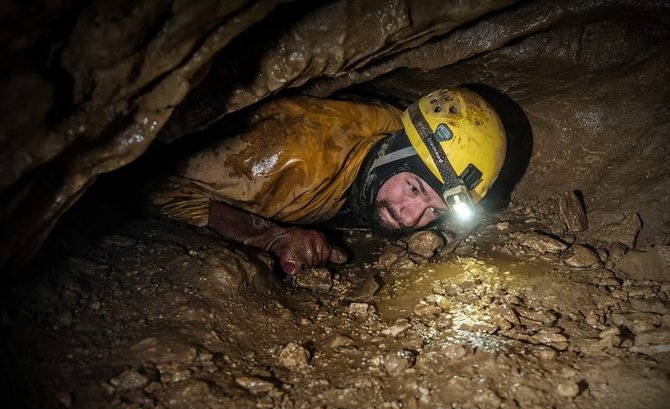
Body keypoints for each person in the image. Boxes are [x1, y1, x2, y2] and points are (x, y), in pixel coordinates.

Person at [151, 87, 506, 275]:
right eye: (414, 189)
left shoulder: (393, 149)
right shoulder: (289, 159)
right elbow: (156, 186)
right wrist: (269, 235)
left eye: (433, 210)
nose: (410, 218)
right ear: (394, 150)